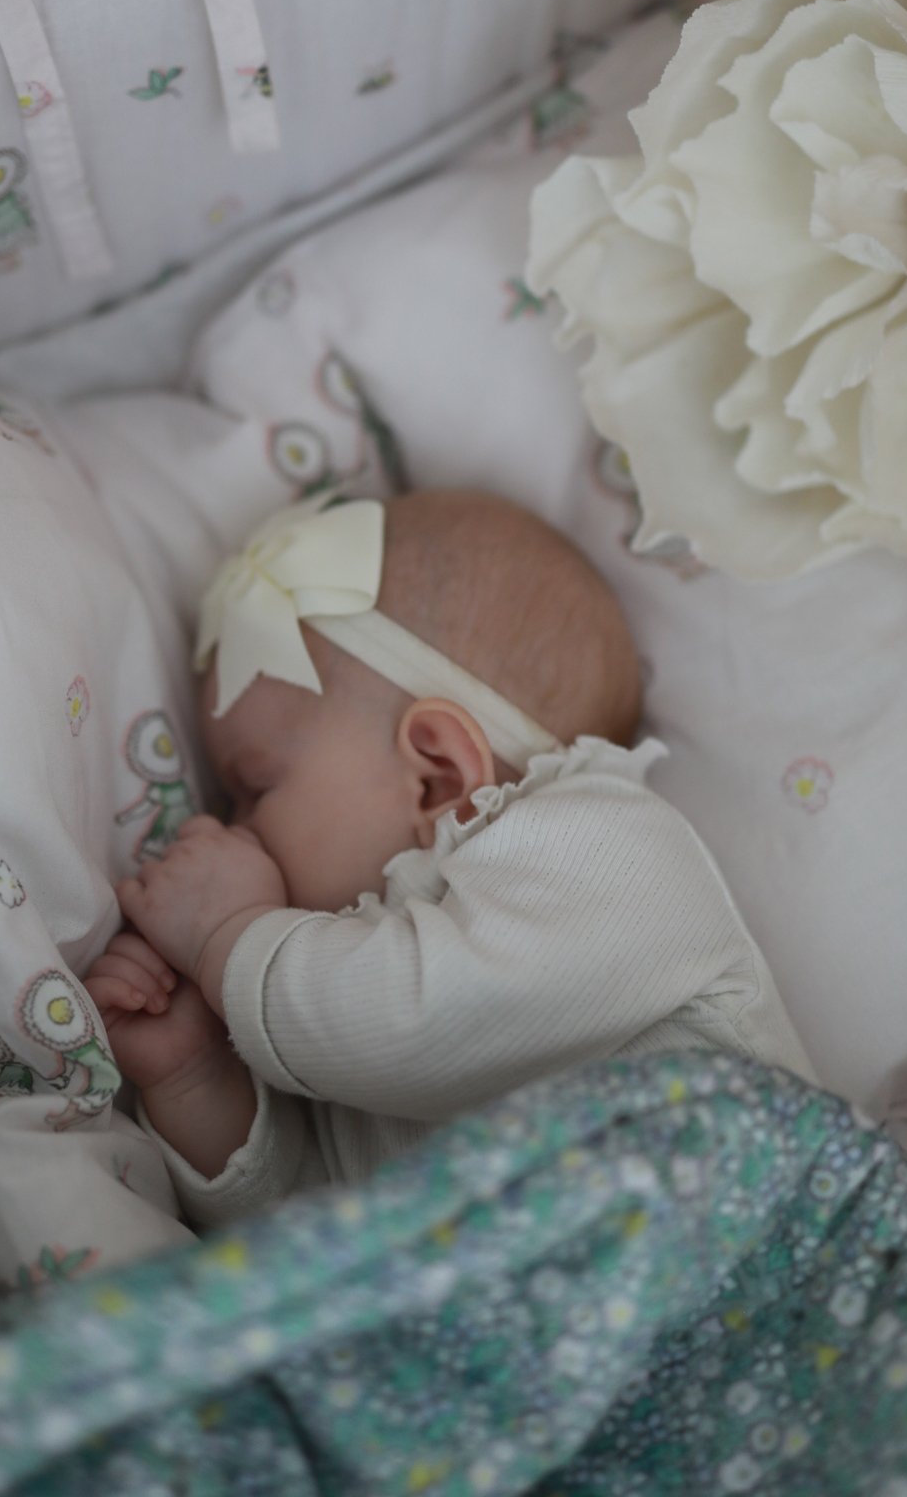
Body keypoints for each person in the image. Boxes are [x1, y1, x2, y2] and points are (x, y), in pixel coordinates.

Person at [84, 490, 813, 1227]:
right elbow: (321, 1235)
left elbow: (412, 1028)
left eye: (255, 789)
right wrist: (201, 1080)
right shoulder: (340, 997)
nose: (226, 830)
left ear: (436, 774)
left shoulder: (610, 847)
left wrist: (228, 933)